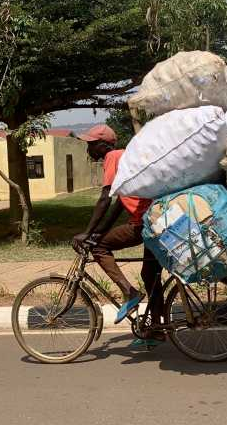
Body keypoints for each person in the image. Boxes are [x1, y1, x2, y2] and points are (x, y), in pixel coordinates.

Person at [72, 124, 164, 348]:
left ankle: (129, 292)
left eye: (90, 144)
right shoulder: (125, 156)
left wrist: (89, 234)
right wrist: (97, 231)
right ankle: (156, 330)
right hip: (157, 220)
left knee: (99, 247)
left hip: (145, 223)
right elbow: (119, 204)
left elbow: (105, 199)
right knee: (150, 275)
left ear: (103, 144)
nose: (88, 150)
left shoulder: (113, 156)